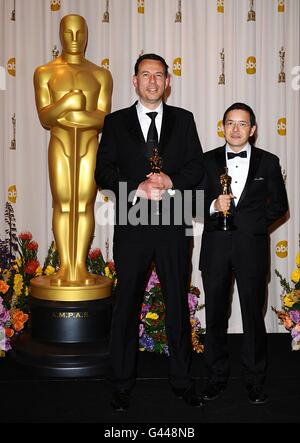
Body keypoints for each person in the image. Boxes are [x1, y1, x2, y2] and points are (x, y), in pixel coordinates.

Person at [95, 53, 205, 411]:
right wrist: (135, 187)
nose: (153, 81)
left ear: (168, 81)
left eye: (159, 75)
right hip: (134, 222)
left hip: (174, 220)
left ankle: (182, 380)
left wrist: (171, 180)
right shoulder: (114, 122)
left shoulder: (184, 120)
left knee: (176, 303)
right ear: (135, 80)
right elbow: (103, 172)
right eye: (146, 74)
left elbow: (197, 168)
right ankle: (122, 383)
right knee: (126, 305)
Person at [199, 102, 288, 404]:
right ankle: (215, 377)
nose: (236, 129)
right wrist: (213, 206)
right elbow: (194, 202)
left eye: (242, 123)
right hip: (215, 249)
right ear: (222, 127)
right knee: (215, 315)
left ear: (252, 129)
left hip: (251, 249)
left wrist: (251, 224)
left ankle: (254, 379)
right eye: (230, 123)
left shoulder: (269, 162)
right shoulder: (206, 161)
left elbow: (279, 206)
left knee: (253, 315)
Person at [34, 14, 113, 284]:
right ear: (60, 34)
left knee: (84, 205)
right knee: (63, 204)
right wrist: (68, 102)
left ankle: (79, 266)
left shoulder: (100, 74)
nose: (75, 39)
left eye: (80, 32)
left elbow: (105, 118)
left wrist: (76, 118)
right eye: (69, 32)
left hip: (90, 144)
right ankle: (65, 267)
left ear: (87, 34)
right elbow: (45, 117)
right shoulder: (45, 72)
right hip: (60, 143)